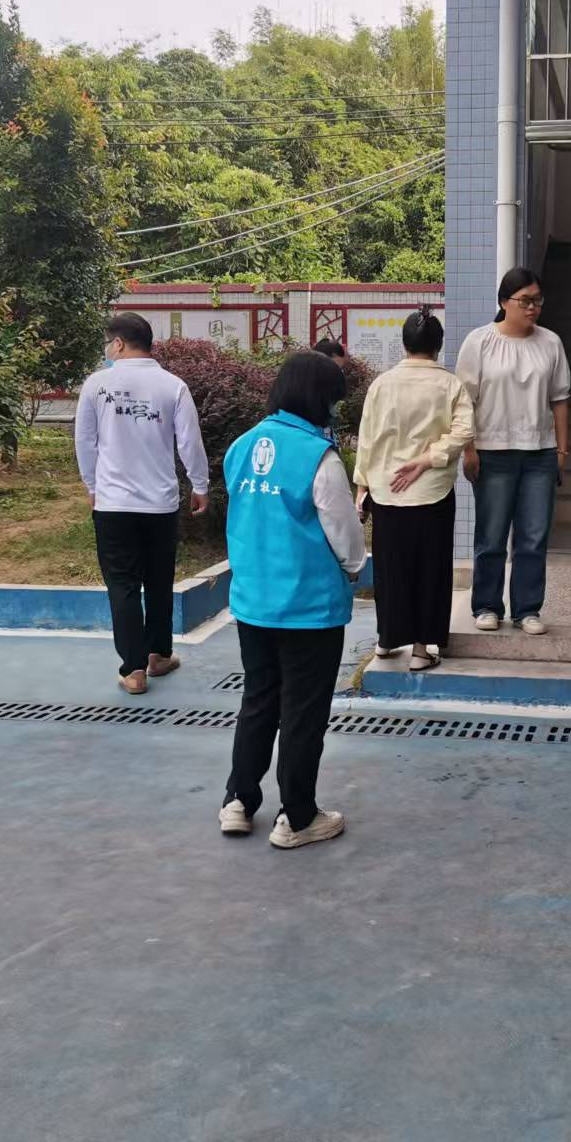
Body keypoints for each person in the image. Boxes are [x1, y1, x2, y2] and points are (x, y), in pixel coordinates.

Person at [220, 350, 366, 849]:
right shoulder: (318, 457)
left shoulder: (241, 446)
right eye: (334, 399)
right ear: (319, 398)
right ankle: (298, 818)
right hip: (309, 608)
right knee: (303, 712)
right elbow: (344, 533)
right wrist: (354, 568)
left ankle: (238, 801)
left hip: (253, 601)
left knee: (259, 700)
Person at [74, 313, 210, 695]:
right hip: (159, 504)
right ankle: (159, 655)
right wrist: (200, 485)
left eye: (108, 343)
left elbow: (85, 441)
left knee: (122, 584)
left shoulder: (96, 385)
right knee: (159, 580)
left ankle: (133, 670)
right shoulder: (173, 386)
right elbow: (190, 442)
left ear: (118, 344)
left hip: (112, 504)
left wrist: (92, 485)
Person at [353, 308, 474, 671]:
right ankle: (421, 650)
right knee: (430, 570)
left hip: (386, 490)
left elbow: (367, 440)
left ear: (404, 343)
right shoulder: (451, 385)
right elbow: (464, 432)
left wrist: (361, 488)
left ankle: (387, 640)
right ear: (439, 346)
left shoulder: (381, 384)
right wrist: (427, 459)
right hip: (433, 493)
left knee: (391, 569)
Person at [458, 267, 571, 635]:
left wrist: (562, 452)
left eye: (537, 300)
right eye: (525, 301)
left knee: (533, 537)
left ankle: (527, 609)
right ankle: (487, 606)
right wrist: (469, 450)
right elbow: (464, 402)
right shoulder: (479, 341)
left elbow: (560, 400)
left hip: (540, 453)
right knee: (491, 536)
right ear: (504, 302)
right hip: (492, 452)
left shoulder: (551, 343)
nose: (533, 307)